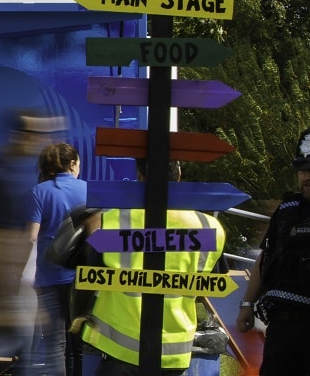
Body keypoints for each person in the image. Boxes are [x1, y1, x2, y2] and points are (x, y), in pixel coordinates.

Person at [79, 160, 225, 375]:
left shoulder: (112, 221)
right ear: (179, 175)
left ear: (139, 177)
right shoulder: (209, 228)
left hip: (120, 348)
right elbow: (215, 282)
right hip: (175, 350)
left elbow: (89, 277)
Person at [0, 110, 64, 373]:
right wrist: (0, 304)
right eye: (37, 133)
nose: (43, 139)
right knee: (7, 366)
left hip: (23, 292)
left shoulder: (23, 175)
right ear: (21, 136)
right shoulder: (2, 177)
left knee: (20, 365)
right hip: (10, 294)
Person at [236, 127, 310, 375]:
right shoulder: (288, 211)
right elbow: (266, 258)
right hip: (283, 327)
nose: (306, 177)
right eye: (302, 170)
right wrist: (247, 304)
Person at [27, 142, 87, 376]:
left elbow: (31, 237)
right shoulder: (88, 190)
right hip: (82, 279)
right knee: (78, 346)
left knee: (55, 345)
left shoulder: (39, 192)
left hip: (49, 277)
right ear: (72, 164)